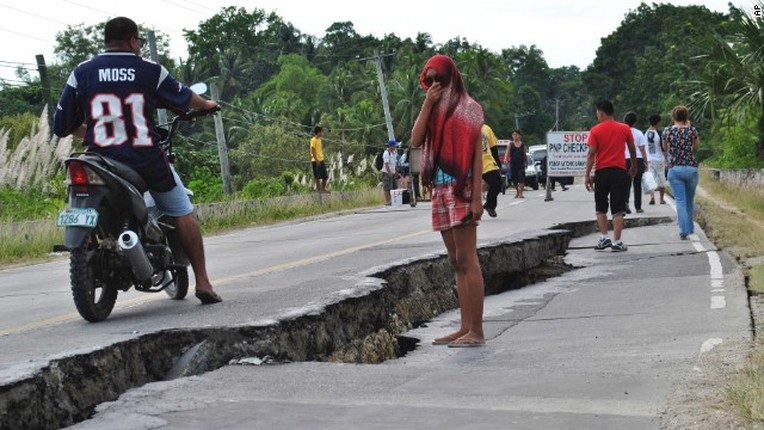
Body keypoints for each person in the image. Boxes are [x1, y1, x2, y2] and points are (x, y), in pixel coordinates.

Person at [52, 17, 222, 304]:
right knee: (182, 209)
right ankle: (203, 282)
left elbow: (61, 125)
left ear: (107, 41)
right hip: (144, 158)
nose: (140, 46)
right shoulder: (148, 70)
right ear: (132, 41)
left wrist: (92, 135)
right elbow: (184, 96)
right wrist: (208, 105)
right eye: (139, 42)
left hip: (100, 159)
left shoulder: (81, 72)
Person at [412, 54, 485, 347]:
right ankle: (464, 326)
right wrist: (427, 104)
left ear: (450, 77)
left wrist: (478, 196)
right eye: (428, 80)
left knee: (468, 259)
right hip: (439, 190)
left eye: (438, 79)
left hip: (462, 188)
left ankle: (477, 331)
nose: (433, 84)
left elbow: (477, 156)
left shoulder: (468, 109)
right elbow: (416, 140)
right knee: (456, 261)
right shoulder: (433, 109)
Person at [584, 100, 637, 252]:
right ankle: (617, 242)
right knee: (618, 208)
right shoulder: (625, 128)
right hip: (619, 171)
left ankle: (604, 238)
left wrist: (587, 175)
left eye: (597, 114)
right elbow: (632, 150)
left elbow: (591, 153)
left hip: (601, 172)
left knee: (600, 207)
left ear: (601, 113)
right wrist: (633, 166)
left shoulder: (595, 130)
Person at [662, 105, 700, 239]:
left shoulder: (667, 132)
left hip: (675, 168)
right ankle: (690, 227)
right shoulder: (692, 131)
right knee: (690, 200)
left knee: (680, 201)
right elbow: (697, 147)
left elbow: (664, 148)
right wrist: (689, 128)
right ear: (686, 117)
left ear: (673, 117)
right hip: (691, 168)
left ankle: (684, 230)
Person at [623, 112, 649, 213]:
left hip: (625, 159)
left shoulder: (621, 132)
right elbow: (642, 149)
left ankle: (625, 204)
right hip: (637, 159)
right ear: (635, 122)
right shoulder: (638, 133)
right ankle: (638, 207)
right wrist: (645, 162)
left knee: (626, 184)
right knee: (637, 184)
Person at [644, 114, 668, 205]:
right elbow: (663, 148)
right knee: (662, 179)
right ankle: (661, 199)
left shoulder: (645, 133)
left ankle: (652, 197)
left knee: (651, 179)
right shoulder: (659, 133)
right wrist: (666, 159)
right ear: (658, 122)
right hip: (659, 160)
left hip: (649, 160)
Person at [481, 124, 502, 217]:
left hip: (487, 161)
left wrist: (498, 163)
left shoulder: (486, 128)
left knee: (497, 183)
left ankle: (490, 205)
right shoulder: (465, 127)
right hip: (471, 163)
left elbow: (493, 148)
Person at [503, 129, 527, 198]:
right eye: (513, 135)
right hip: (513, 164)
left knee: (521, 178)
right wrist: (505, 159)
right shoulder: (510, 144)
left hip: (521, 164)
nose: (515, 136)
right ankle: (517, 192)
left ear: (519, 136)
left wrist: (526, 162)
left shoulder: (522, 145)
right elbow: (507, 152)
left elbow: (524, 154)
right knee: (515, 179)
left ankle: (521, 193)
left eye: (516, 134)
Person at [310, 126, 329, 193]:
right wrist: (316, 159)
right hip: (316, 161)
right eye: (322, 132)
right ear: (318, 132)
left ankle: (323, 188)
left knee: (325, 176)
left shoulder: (319, 140)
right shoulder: (313, 140)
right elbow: (313, 150)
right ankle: (319, 190)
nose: (323, 133)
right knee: (317, 177)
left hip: (321, 160)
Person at [382, 139, 399, 205]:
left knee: (394, 187)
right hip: (386, 172)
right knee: (387, 187)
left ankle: (393, 200)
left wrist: (396, 171)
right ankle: (388, 201)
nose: (395, 147)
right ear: (391, 146)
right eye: (394, 146)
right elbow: (386, 164)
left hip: (393, 172)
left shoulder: (394, 153)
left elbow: (394, 163)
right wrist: (389, 172)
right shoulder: (386, 153)